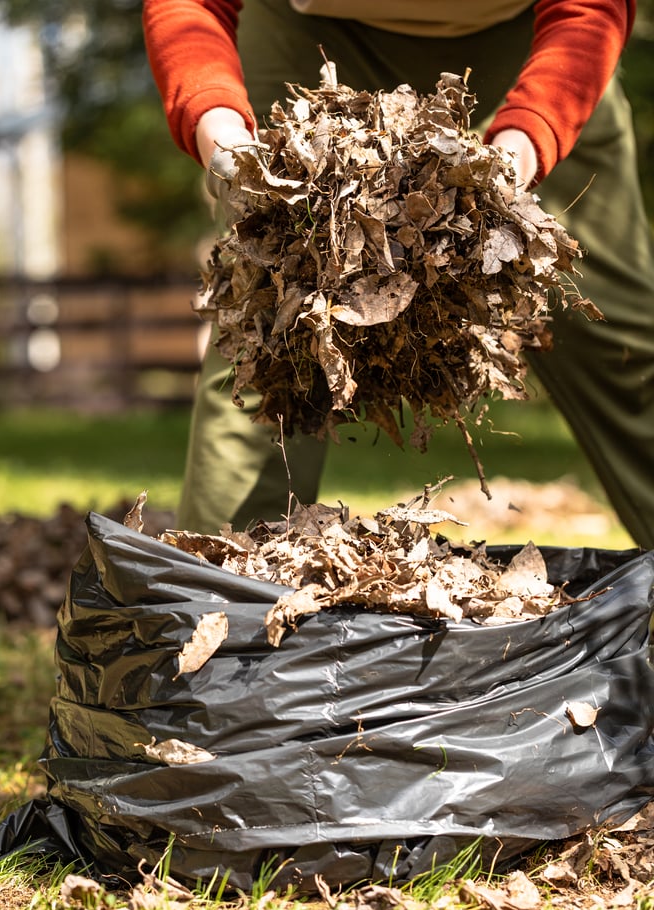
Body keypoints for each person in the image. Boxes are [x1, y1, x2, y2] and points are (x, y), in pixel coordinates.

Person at [143, 0, 654, 549]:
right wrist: (220, 132)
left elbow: (591, 8)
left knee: (618, 343)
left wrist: (523, 145)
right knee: (272, 334)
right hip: (309, 44)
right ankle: (224, 597)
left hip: (529, 48)